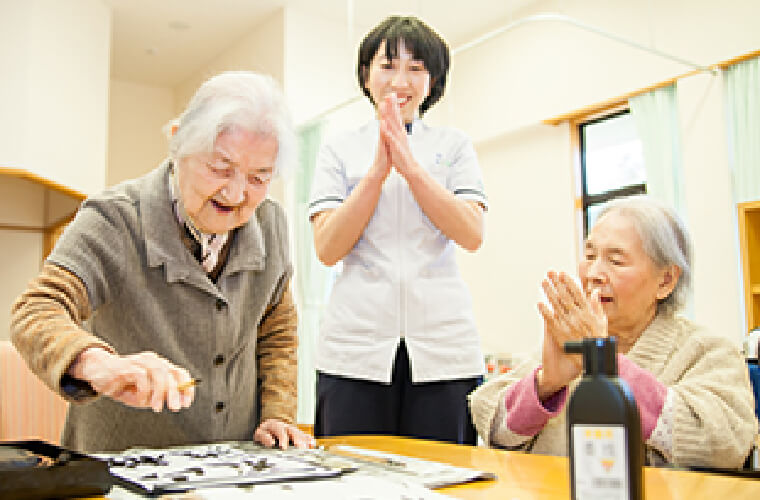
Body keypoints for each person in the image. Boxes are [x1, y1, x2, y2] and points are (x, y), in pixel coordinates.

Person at [11, 71, 314, 452]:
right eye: (220, 168)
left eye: (259, 177)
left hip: (230, 471)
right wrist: (99, 364)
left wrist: (278, 414)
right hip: (120, 468)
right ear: (177, 144)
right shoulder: (115, 219)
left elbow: (277, 330)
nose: (237, 193)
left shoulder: (270, 224)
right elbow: (36, 309)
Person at [469, 195, 757, 467]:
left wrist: (604, 364)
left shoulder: (709, 350)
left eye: (616, 260)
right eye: (590, 254)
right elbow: (491, 423)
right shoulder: (570, 346)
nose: (593, 273)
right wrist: (545, 383)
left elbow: (725, 444)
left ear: (666, 280)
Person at [308, 15, 488, 444]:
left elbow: (471, 233)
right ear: (366, 76)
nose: (399, 80)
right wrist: (376, 172)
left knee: (445, 478)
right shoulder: (339, 147)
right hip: (355, 349)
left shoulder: (453, 146)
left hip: (444, 349)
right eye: (387, 65)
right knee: (353, 478)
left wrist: (409, 166)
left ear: (433, 80)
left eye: (416, 68)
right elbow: (328, 248)